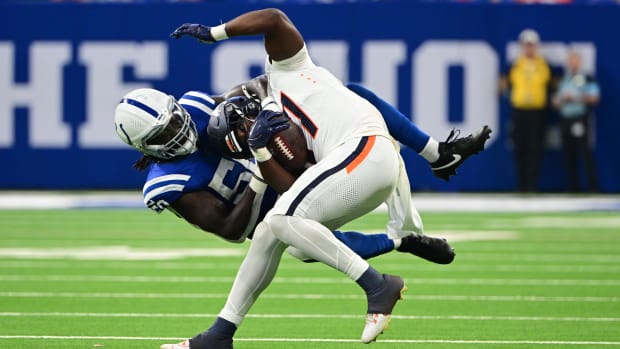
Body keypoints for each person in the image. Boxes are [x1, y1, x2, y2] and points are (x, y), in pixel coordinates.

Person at [165, 8, 490, 349]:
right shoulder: (274, 137)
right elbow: (292, 193)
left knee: (283, 220)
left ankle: (378, 284)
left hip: (367, 152)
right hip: (364, 163)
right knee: (278, 234)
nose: (247, 129)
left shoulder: (286, 71)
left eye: (243, 126)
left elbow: (274, 18)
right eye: (242, 137)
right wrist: (260, 151)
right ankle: (220, 335)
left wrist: (214, 33)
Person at [114, 80, 455, 262]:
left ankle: (435, 153)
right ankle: (401, 242)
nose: (177, 131)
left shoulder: (198, 106)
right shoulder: (167, 185)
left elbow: (261, 84)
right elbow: (231, 229)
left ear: (176, 106)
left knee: (351, 94)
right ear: (146, 147)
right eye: (164, 134)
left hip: (290, 160)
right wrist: (261, 170)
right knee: (302, 247)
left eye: (174, 119)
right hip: (272, 208)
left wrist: (262, 108)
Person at [499, 29, 551, 192]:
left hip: (537, 112)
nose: (529, 48)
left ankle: (531, 185)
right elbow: (505, 86)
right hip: (520, 111)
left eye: (532, 45)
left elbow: (549, 85)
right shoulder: (515, 65)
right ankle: (521, 185)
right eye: (526, 45)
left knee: (535, 148)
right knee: (520, 147)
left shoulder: (543, 65)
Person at [552, 51, 600, 192]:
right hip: (565, 119)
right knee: (568, 154)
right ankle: (573, 188)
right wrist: (561, 100)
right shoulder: (564, 79)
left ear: (580, 62)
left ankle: (593, 187)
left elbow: (594, 98)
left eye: (575, 60)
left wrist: (575, 98)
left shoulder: (587, 78)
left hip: (579, 118)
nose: (572, 63)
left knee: (585, 153)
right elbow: (555, 101)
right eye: (570, 60)